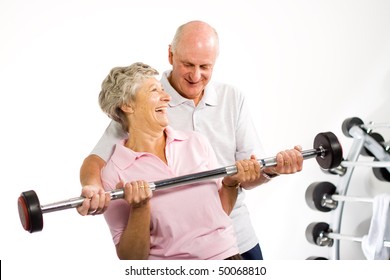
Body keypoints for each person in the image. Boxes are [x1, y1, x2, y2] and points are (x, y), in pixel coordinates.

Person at [78, 21, 304, 260]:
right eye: (188, 64)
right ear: (170, 55)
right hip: (177, 255)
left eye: (205, 66)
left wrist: (273, 170)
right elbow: (97, 161)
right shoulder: (140, 100)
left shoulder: (229, 102)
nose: (196, 76)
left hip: (236, 237)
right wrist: (93, 188)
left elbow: (250, 169)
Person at [97, 62, 260, 259]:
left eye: (163, 90)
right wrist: (139, 208)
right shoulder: (114, 173)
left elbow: (219, 212)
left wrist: (231, 183)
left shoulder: (195, 142)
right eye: (154, 91)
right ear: (127, 105)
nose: (166, 97)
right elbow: (132, 260)